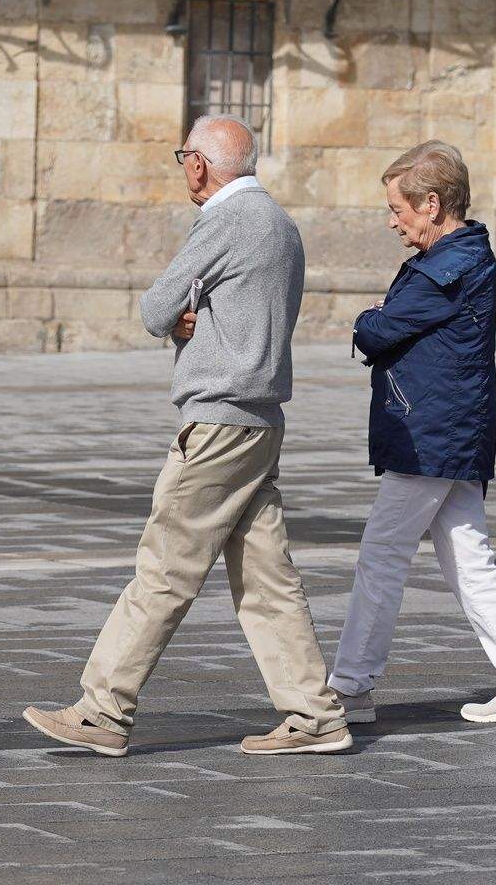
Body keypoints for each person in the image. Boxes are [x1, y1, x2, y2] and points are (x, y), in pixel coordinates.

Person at [22, 114, 351, 758]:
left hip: (218, 421)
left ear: (198, 165)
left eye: (183, 159)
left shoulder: (225, 221)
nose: (182, 172)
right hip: (261, 420)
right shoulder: (282, 225)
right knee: (265, 576)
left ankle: (102, 711)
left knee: (166, 567)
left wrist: (181, 323)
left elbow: (154, 308)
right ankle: (315, 715)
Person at [329, 140, 496, 726]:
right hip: (447, 428)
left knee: (382, 554)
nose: (392, 222)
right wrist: (382, 318)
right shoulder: (457, 260)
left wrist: (368, 317)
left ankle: (350, 687)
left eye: (398, 209)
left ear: (431, 204)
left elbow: (380, 332)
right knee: (467, 558)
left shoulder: (448, 267)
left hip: (431, 433)